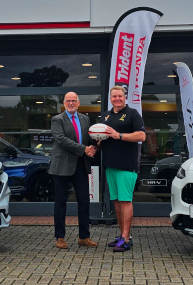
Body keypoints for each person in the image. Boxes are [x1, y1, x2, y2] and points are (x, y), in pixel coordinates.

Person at [48, 92, 98, 249]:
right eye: (68, 101)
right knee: (60, 202)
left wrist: (96, 143)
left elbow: (88, 138)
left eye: (73, 101)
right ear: (64, 103)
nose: (71, 103)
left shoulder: (85, 119)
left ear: (78, 102)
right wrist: (85, 149)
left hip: (81, 166)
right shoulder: (57, 120)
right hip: (62, 166)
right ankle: (60, 237)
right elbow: (61, 140)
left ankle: (84, 237)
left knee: (84, 201)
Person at [100, 85, 146, 252]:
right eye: (114, 97)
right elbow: (101, 137)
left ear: (124, 97)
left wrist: (118, 135)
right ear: (110, 98)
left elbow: (141, 135)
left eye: (120, 96)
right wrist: (97, 140)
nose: (117, 99)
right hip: (110, 165)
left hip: (126, 166)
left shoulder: (132, 114)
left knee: (125, 201)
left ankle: (126, 239)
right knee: (117, 202)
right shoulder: (105, 115)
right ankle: (121, 236)